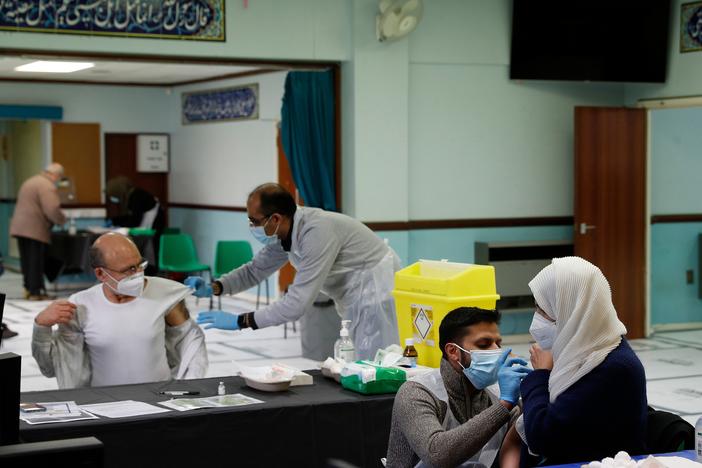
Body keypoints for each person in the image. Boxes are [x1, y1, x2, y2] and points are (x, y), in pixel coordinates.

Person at [188, 183, 400, 360]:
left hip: (375, 291)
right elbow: (255, 270)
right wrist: (214, 287)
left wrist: (241, 321)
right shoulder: (288, 233)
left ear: (276, 219)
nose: (251, 226)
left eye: (254, 221)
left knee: (374, 363)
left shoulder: (316, 232)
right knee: (357, 359)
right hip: (354, 295)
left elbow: (296, 304)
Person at [499, 257, 648, 468]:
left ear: (572, 311)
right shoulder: (585, 351)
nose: (537, 318)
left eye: (544, 310)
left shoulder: (613, 368)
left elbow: (542, 436)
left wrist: (540, 375)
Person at [32, 233, 208, 388]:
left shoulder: (165, 294)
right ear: (101, 274)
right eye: (129, 270)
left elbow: (191, 343)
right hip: (106, 404)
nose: (138, 274)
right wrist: (41, 326)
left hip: (159, 398)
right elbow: (54, 368)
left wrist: (187, 390)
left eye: (140, 265)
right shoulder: (80, 305)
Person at [385, 307, 531, 468]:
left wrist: (534, 389)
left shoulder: (497, 394)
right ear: (453, 351)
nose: (496, 351)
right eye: (484, 344)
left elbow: (519, 447)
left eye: (498, 344)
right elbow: (437, 455)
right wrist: (503, 406)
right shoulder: (416, 393)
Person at [9, 162, 67, 300]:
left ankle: (29, 289)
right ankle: (36, 292)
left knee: (27, 260)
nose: (58, 180)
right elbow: (52, 208)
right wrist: (61, 220)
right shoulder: (47, 186)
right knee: (36, 261)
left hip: (21, 227)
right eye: (59, 177)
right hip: (34, 229)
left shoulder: (31, 181)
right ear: (55, 175)